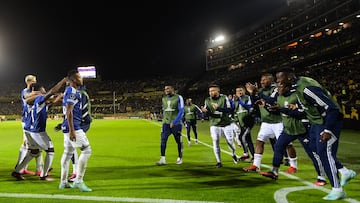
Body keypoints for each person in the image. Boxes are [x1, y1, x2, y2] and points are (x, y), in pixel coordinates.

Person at [275, 69, 356, 200]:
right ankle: (344, 171)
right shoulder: (297, 87)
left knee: (324, 152)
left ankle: (337, 189)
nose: (278, 82)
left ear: (289, 78)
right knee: (314, 147)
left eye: (280, 79)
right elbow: (307, 108)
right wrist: (286, 109)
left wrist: (328, 130)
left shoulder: (306, 88)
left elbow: (332, 108)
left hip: (329, 120)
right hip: (317, 122)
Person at [258, 81, 327, 186]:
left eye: (280, 86)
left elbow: (301, 113)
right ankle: (274, 172)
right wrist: (261, 99)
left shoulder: (297, 96)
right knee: (278, 146)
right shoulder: (279, 96)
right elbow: (273, 104)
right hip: (288, 129)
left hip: (302, 129)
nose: (277, 89)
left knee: (313, 153)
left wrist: (283, 109)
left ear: (287, 87)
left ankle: (321, 177)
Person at [12, 78, 67, 181]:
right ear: (40, 90)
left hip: (29, 129)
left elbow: (48, 106)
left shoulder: (37, 100)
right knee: (50, 151)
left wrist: (58, 98)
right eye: (43, 88)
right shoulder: (40, 97)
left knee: (33, 152)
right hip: (37, 131)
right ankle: (44, 175)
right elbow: (52, 91)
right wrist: (63, 81)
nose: (45, 90)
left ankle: (17, 171)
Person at [243, 73, 296, 172]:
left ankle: (293, 165)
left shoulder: (276, 89)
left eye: (264, 80)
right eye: (261, 80)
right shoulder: (261, 91)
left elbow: (271, 101)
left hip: (278, 121)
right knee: (259, 142)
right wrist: (252, 94)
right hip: (266, 122)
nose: (261, 82)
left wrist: (257, 92)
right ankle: (256, 165)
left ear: (271, 80)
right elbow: (255, 103)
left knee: (288, 144)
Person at [59, 69, 92, 192]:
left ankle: (63, 182)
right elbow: (69, 111)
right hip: (73, 127)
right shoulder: (72, 91)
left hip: (67, 127)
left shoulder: (71, 91)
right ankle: (78, 180)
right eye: (79, 77)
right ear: (73, 80)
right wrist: (72, 130)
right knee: (87, 150)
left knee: (67, 154)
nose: (81, 79)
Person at [201, 84, 237, 168]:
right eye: (210, 91)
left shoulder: (224, 98)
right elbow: (207, 112)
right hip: (214, 124)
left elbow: (229, 110)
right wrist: (205, 112)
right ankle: (219, 162)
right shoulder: (207, 100)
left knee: (230, 141)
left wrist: (218, 108)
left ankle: (233, 154)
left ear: (218, 91)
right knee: (215, 141)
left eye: (213, 91)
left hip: (225, 123)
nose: (211, 92)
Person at [16, 74, 43, 176]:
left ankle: (36, 168)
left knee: (33, 145)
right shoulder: (26, 91)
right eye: (34, 81)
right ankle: (21, 168)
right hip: (27, 122)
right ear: (28, 82)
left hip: (32, 121)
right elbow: (28, 97)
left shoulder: (32, 92)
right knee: (30, 146)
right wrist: (39, 93)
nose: (35, 83)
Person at [156, 85, 184, 165]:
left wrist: (174, 122)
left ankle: (180, 157)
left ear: (172, 89)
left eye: (168, 88)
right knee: (163, 140)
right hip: (166, 124)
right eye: (165, 89)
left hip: (176, 124)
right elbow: (164, 110)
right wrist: (164, 121)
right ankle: (162, 159)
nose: (166, 90)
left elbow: (181, 111)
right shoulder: (163, 99)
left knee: (178, 141)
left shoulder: (179, 97)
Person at [233, 86, 255, 161]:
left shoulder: (247, 97)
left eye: (240, 90)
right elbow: (235, 111)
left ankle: (249, 155)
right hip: (241, 122)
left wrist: (239, 100)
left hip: (248, 122)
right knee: (247, 139)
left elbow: (249, 108)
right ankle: (248, 154)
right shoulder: (235, 100)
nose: (239, 92)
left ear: (244, 91)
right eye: (237, 91)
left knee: (243, 137)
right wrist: (236, 121)